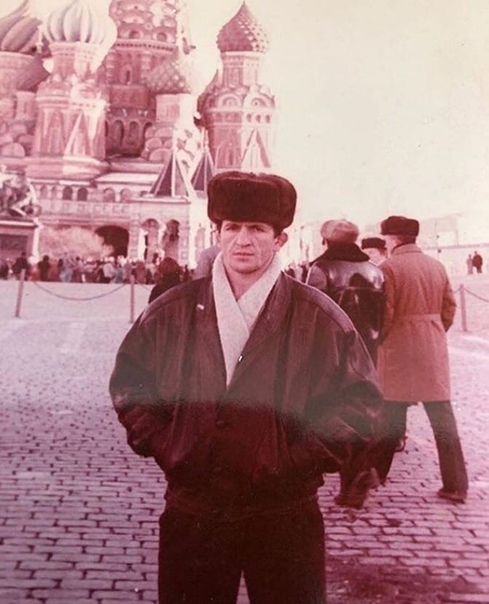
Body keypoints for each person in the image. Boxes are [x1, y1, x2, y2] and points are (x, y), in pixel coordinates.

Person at [109, 171, 383, 604]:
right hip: (194, 508)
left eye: (257, 228)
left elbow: (359, 401)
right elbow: (131, 381)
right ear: (217, 234)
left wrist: (297, 459)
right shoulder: (173, 308)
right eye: (232, 227)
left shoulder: (318, 315)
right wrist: (169, 443)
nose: (243, 240)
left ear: (280, 239)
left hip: (285, 511)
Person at [375, 215, 468, 504]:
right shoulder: (436, 266)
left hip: (398, 349)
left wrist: (380, 341)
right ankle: (456, 485)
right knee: (442, 418)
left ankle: (373, 476)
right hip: (431, 348)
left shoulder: (388, 268)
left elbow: (386, 313)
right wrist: (432, 331)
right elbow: (449, 308)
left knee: (390, 416)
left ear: (392, 239)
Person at [306, 219, 384, 365]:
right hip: (369, 347)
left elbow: (310, 312)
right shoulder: (376, 271)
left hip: (332, 348)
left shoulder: (321, 268)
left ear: (326, 241)